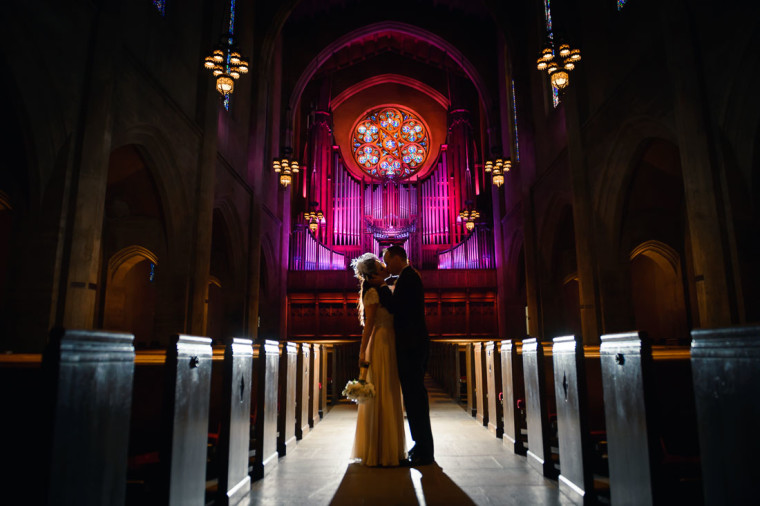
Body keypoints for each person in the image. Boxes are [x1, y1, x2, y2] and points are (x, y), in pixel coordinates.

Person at [379, 245, 435, 467]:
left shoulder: (408, 277)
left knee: (415, 399)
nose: (385, 265)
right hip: (413, 345)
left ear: (395, 258)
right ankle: (420, 445)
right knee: (413, 399)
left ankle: (424, 451)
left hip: (412, 347)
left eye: (386, 259)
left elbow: (396, 307)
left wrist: (382, 287)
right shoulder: (408, 277)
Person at [349, 253, 406, 467]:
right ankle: (381, 449)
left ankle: (386, 445)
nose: (385, 270)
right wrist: (363, 352)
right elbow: (369, 326)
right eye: (382, 269)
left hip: (388, 339)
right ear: (373, 276)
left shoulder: (381, 290)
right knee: (383, 390)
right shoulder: (373, 292)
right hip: (381, 342)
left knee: (389, 389)